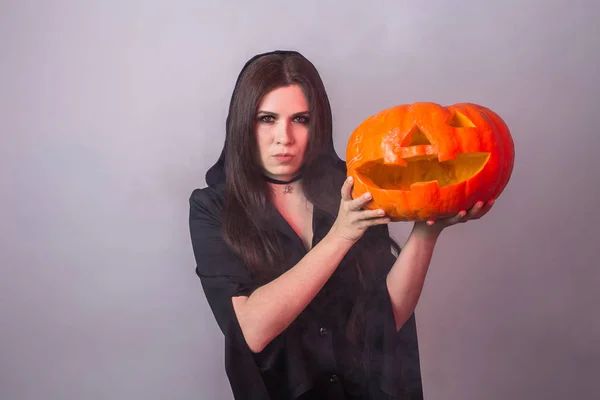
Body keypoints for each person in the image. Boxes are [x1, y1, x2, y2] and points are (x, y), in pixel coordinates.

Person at [188, 50, 494, 400]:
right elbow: (252, 330)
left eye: (300, 119)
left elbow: (386, 318)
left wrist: (428, 229)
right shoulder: (213, 208)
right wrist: (341, 235)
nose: (284, 138)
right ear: (244, 123)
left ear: (318, 125)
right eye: (267, 119)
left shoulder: (353, 187)